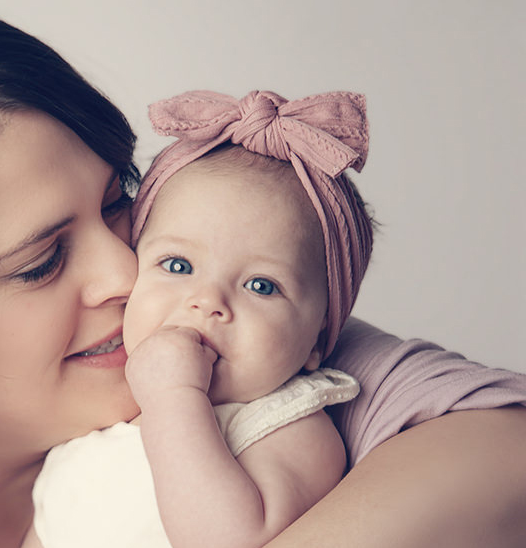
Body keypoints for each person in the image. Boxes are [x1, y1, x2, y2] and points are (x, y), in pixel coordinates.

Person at [0, 0, 525, 548]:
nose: (129, 270)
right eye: (42, 261)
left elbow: (505, 450)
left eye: (120, 201)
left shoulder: (233, 348)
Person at [31, 89, 370, 548]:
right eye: (177, 266)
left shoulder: (288, 426)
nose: (208, 301)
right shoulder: (102, 408)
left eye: (261, 286)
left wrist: (175, 398)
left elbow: (225, 539)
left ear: (316, 339)